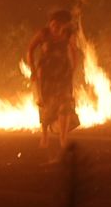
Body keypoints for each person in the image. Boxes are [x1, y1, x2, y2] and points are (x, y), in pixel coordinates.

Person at [27, 9, 80, 149]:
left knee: (65, 105)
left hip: (63, 74)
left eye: (59, 24)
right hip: (46, 76)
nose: (56, 27)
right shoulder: (43, 34)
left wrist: (73, 69)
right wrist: (33, 69)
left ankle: (63, 138)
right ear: (50, 23)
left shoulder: (68, 35)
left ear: (64, 25)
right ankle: (45, 136)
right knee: (46, 106)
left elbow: (74, 52)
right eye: (53, 23)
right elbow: (30, 50)